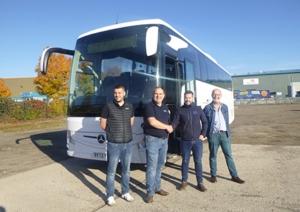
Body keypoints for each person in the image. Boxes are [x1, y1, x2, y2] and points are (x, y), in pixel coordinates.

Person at [100, 84, 135, 206]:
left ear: (124, 93)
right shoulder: (108, 106)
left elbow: (131, 122)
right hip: (114, 144)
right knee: (111, 171)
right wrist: (112, 134)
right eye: (115, 93)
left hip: (128, 143)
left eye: (119, 93)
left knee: (126, 170)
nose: (117, 95)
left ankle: (125, 192)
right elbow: (103, 124)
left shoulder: (130, 106)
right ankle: (110, 195)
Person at [203, 89, 245, 184]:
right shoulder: (207, 108)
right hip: (213, 135)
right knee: (213, 155)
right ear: (212, 95)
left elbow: (227, 121)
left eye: (218, 94)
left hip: (225, 134)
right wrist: (204, 134)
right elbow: (204, 122)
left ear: (221, 95)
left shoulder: (225, 107)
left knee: (229, 156)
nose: (216, 96)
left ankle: (234, 176)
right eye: (214, 94)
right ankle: (213, 175)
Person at [171, 90, 208, 192]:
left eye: (189, 98)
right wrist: (169, 128)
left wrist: (203, 134)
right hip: (185, 141)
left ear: (193, 98)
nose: (187, 99)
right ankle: (184, 182)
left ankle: (200, 183)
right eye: (186, 98)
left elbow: (205, 122)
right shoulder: (180, 110)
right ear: (184, 98)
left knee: (198, 161)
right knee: (185, 161)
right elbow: (174, 122)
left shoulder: (198, 109)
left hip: (197, 140)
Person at [143, 87, 173, 203]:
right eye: (156, 94)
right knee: (151, 167)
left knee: (160, 165)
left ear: (164, 95)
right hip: (152, 140)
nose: (158, 96)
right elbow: (152, 122)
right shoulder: (149, 106)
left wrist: (169, 128)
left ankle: (157, 187)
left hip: (164, 140)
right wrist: (167, 127)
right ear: (152, 95)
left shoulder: (165, 108)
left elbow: (168, 122)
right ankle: (150, 192)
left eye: (160, 94)